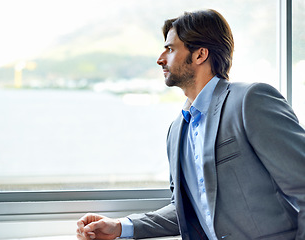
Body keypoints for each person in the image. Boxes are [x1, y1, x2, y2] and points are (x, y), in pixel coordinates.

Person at [77, 9, 305, 240]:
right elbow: (185, 212)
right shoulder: (176, 131)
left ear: (200, 55)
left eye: (170, 48)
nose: (160, 59)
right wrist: (120, 226)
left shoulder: (250, 99)